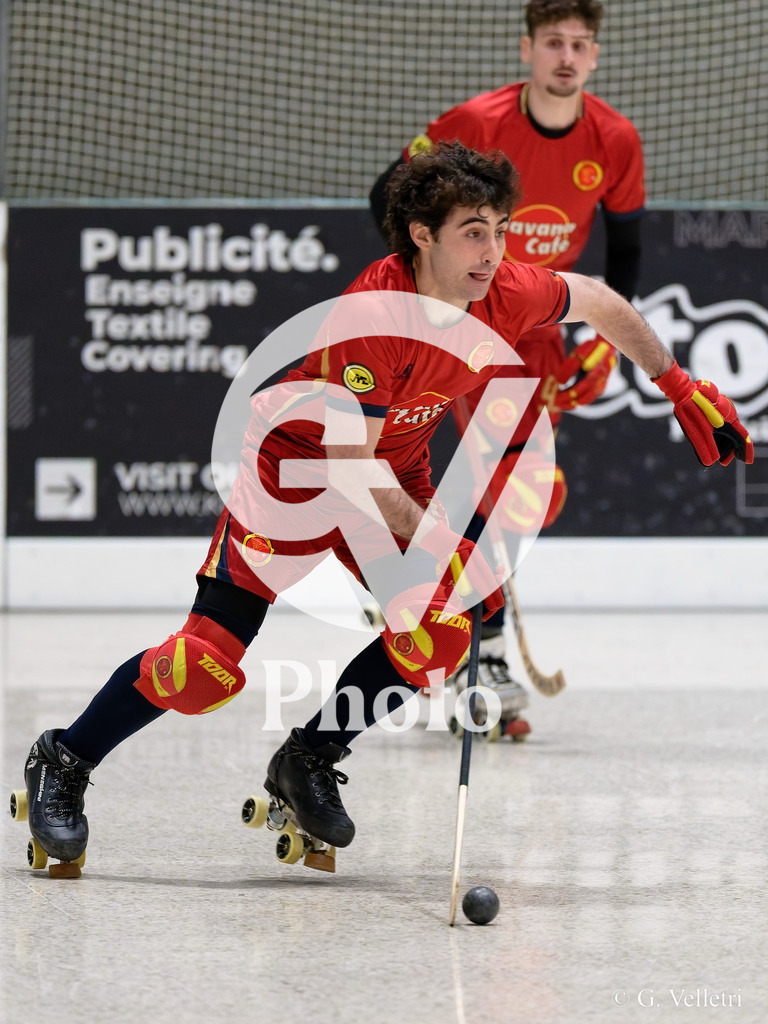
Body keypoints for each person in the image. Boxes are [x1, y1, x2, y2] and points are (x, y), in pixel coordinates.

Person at [17, 142, 752, 872]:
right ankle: (65, 757)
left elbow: (598, 300)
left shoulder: (503, 289)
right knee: (204, 664)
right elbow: (349, 470)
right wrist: (443, 541)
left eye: (500, 228)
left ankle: (307, 759)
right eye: (473, 231)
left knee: (438, 633)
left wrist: (678, 386)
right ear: (421, 235)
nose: (493, 250)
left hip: (390, 471)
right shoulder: (374, 315)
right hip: (295, 479)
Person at [370, 0, 645, 727]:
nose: (566, 56)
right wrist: (424, 290)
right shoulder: (478, 123)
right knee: (454, 470)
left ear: (594, 56)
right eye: (552, 42)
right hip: (459, 314)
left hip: (535, 318)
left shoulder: (614, 139)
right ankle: (471, 639)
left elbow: (626, 255)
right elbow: (385, 195)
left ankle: (457, 620)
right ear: (527, 48)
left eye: (579, 44)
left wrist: (599, 344)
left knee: (528, 489)